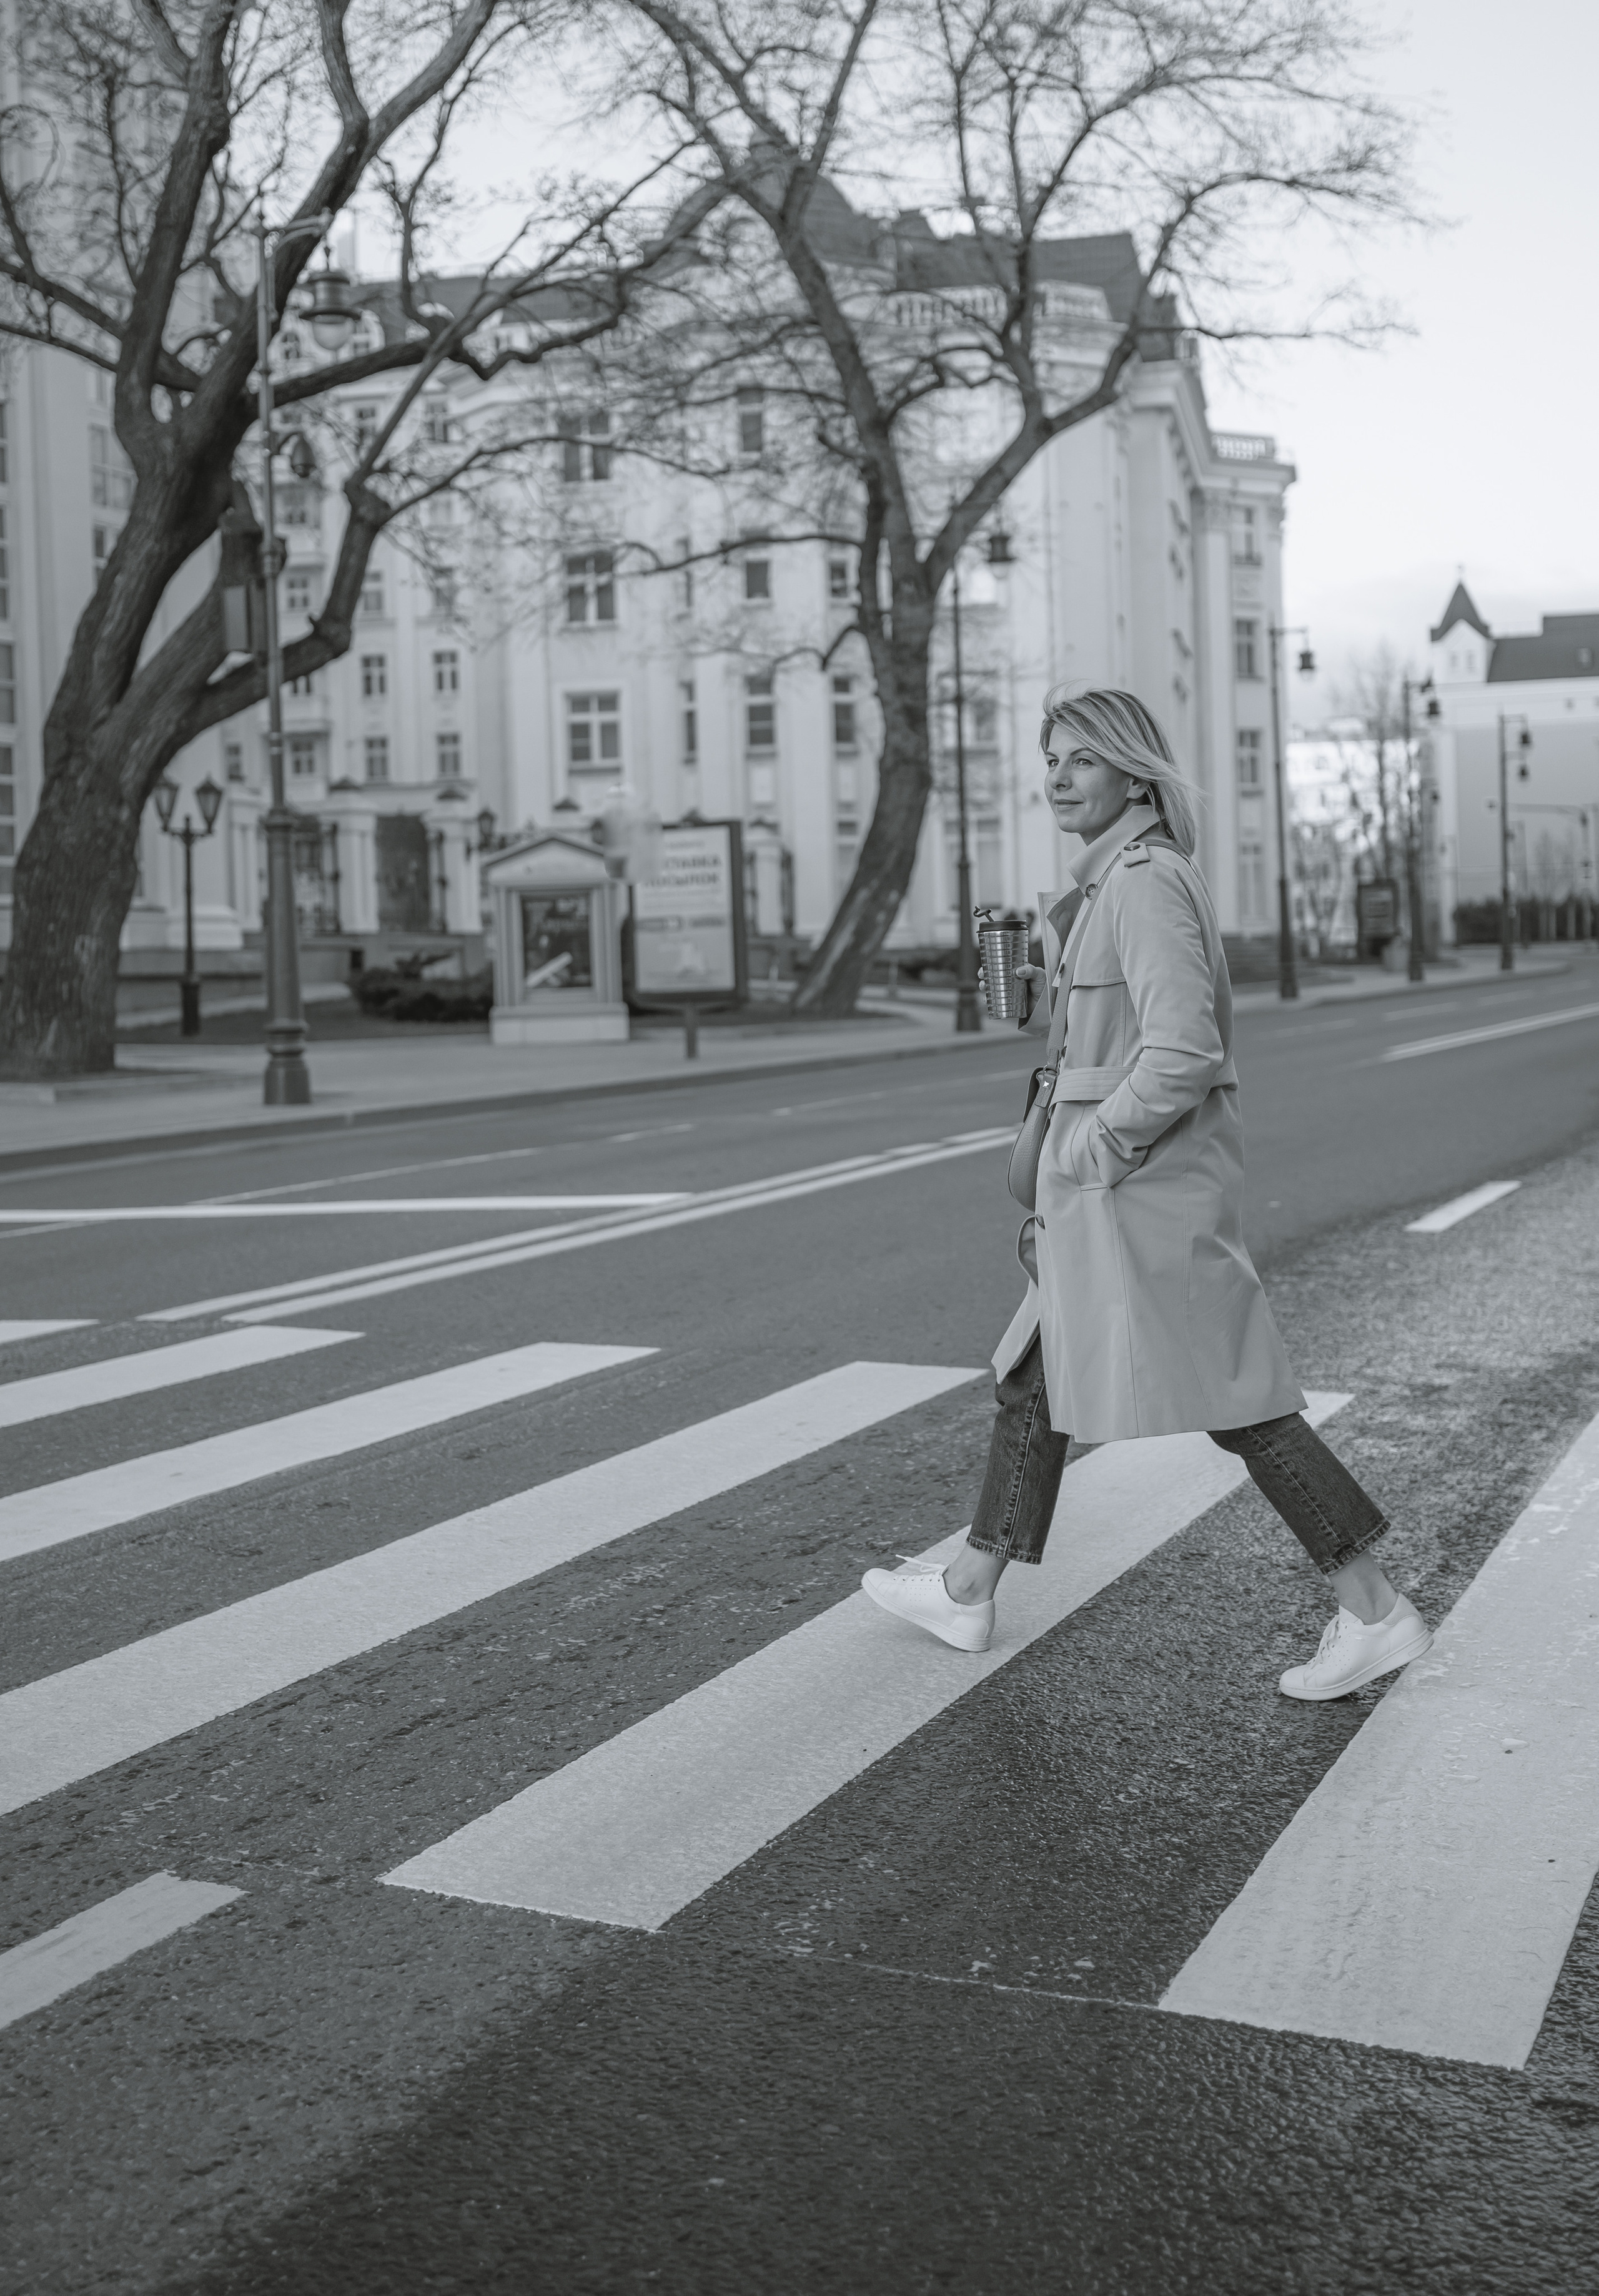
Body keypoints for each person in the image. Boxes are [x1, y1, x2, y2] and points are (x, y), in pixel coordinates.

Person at [863, 686, 1432, 1702]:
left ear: (1132, 770)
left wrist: (1094, 1150)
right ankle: (967, 1584)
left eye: (1080, 759)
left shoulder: (1143, 881)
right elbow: (1128, 1026)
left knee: (1241, 1404)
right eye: (1050, 759)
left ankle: (1376, 1608)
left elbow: (1183, 1048)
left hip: (1139, 1194)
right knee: (1036, 1377)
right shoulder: (1113, 887)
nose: (1056, 777)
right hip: (1114, 1199)